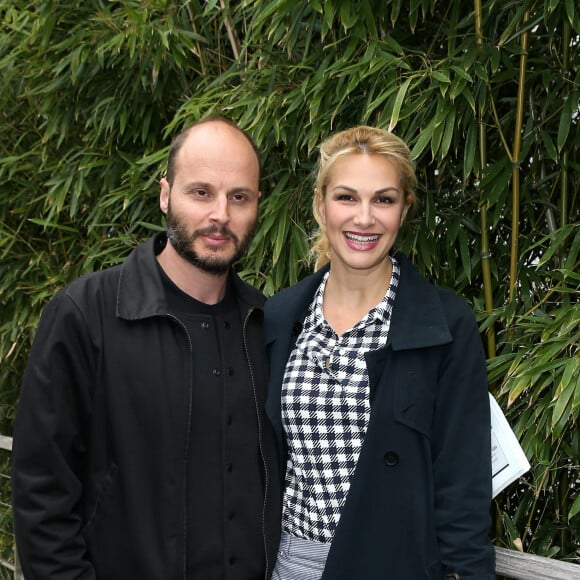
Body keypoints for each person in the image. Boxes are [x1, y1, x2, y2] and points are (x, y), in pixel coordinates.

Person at [12, 117, 281, 579]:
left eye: (239, 196)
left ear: (257, 205)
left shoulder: (266, 325)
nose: (220, 214)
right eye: (201, 192)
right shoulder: (87, 313)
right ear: (165, 194)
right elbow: (42, 493)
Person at [263, 126, 495, 579]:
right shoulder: (279, 318)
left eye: (384, 200)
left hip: (392, 564)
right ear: (320, 203)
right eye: (347, 197)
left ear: (405, 208)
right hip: (291, 565)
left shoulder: (444, 326)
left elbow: (462, 487)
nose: (364, 218)